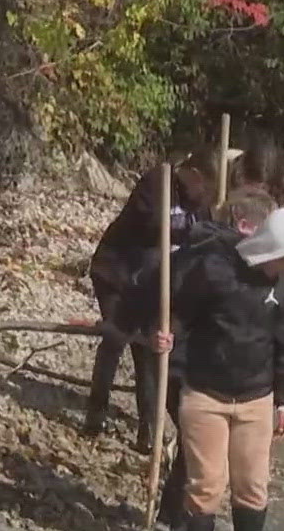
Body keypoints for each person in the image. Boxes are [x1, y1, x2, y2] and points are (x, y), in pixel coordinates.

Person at [112, 187, 284, 531]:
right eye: (267, 231)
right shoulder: (205, 255)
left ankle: (173, 520)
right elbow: (145, 292)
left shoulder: (246, 262)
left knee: (200, 449)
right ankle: (170, 520)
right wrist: (151, 332)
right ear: (246, 226)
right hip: (176, 361)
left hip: (203, 364)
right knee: (202, 447)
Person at [160, 207, 284, 531]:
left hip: (257, 398)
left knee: (252, 488)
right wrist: (165, 336)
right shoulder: (213, 269)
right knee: (206, 485)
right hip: (205, 394)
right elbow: (179, 315)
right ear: (267, 250)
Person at [84, 146, 237, 449]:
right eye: (203, 186)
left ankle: (148, 431)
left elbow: (206, 235)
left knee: (150, 348)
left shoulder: (202, 202)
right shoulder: (158, 182)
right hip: (118, 273)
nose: (204, 194)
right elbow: (151, 226)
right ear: (192, 175)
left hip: (154, 283)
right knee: (117, 337)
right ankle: (96, 412)